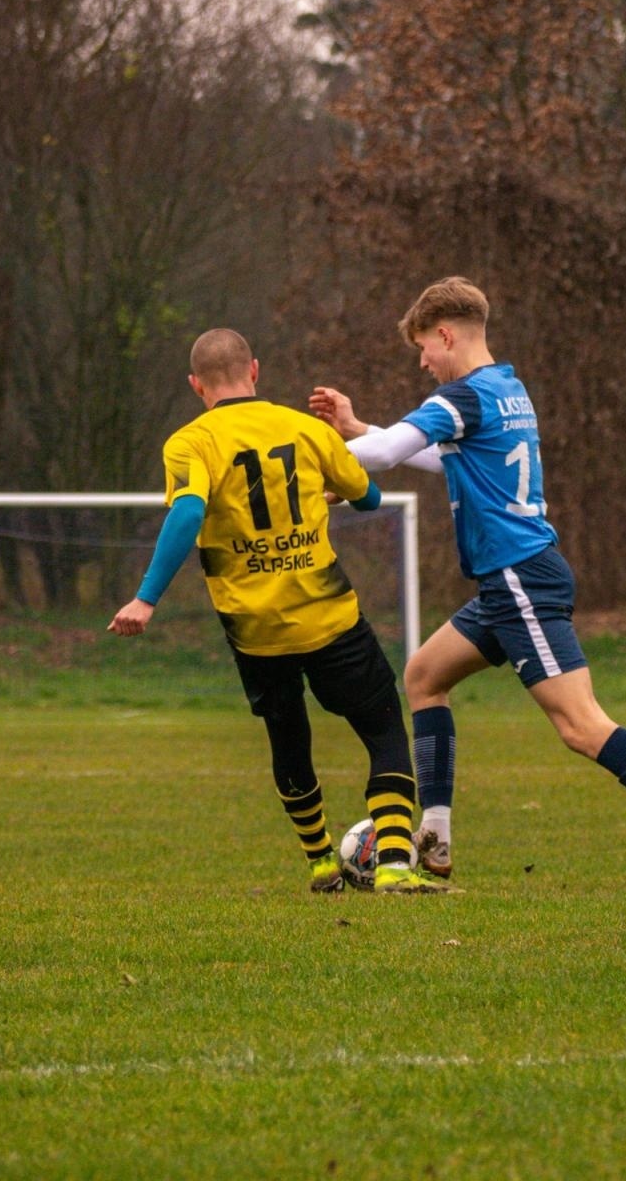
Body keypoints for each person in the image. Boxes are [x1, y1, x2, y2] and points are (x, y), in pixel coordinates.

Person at [308, 277, 626, 893]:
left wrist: (305, 454)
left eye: (422, 348)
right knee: (425, 676)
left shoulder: (462, 397)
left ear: (445, 334)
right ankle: (433, 839)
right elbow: (443, 459)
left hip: (519, 580)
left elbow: (387, 457)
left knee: (580, 725)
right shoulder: (506, 389)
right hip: (508, 583)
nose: (422, 362)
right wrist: (359, 428)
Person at [109, 328, 450, 894]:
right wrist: (330, 492)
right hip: (328, 616)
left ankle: (321, 863)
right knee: (384, 726)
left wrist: (146, 598)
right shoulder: (307, 428)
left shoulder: (188, 443)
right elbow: (368, 497)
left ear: (197, 385)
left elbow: (188, 512)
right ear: (256, 371)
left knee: (287, 737)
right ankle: (392, 864)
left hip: (255, 630)